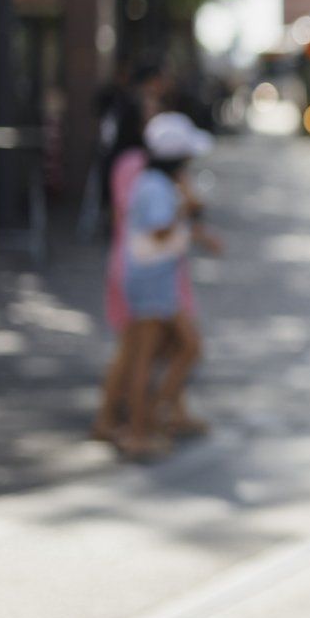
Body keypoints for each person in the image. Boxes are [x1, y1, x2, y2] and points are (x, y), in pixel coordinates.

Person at [116, 111, 220, 460]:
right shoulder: (157, 186)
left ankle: (159, 415)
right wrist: (185, 205)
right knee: (145, 355)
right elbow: (160, 229)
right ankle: (139, 430)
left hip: (157, 279)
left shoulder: (156, 183)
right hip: (150, 279)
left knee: (185, 346)